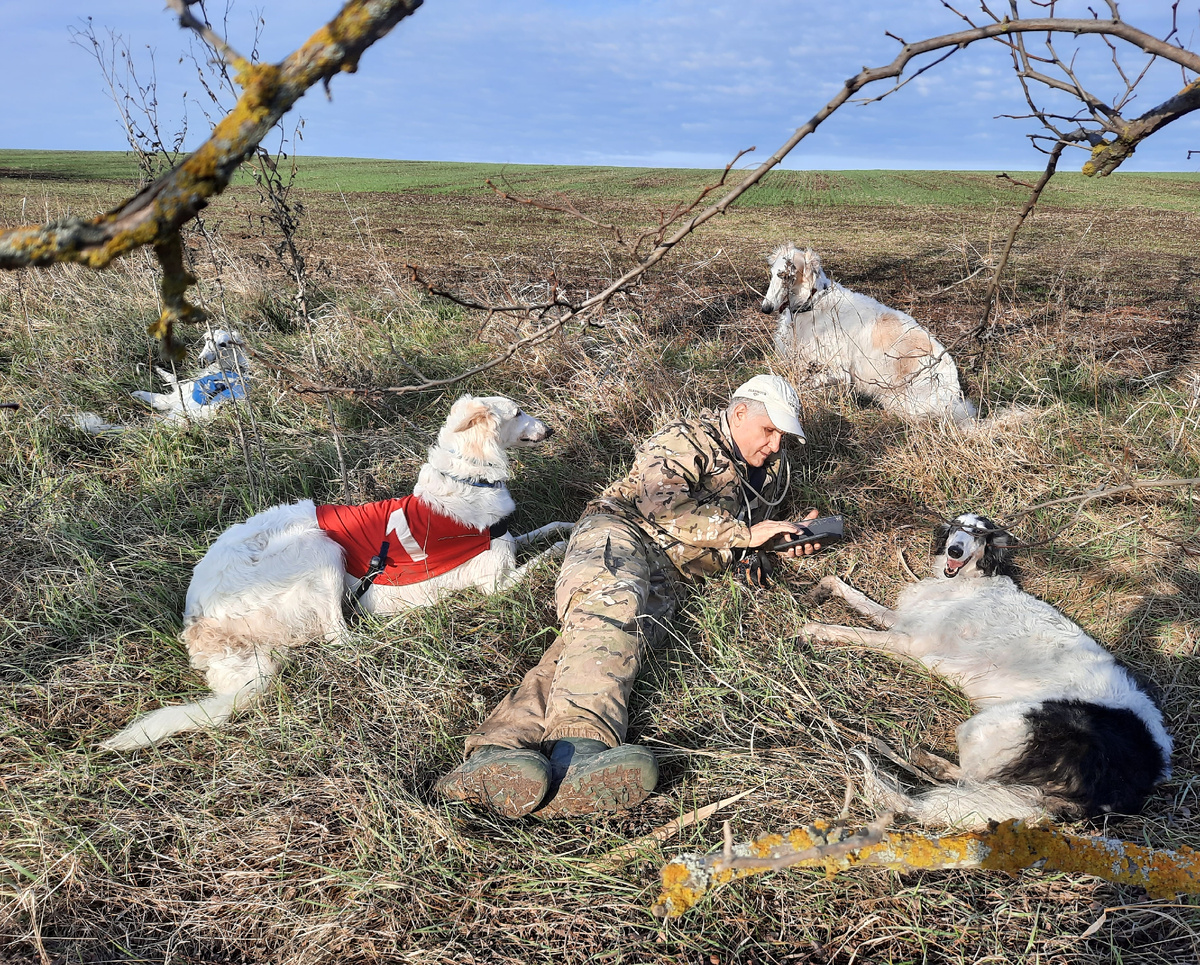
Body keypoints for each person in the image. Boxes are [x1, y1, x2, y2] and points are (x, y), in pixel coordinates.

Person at [436, 374, 823, 819]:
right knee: (608, 618)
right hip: (622, 534)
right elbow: (661, 505)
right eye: (769, 431)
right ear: (739, 414)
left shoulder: (771, 475)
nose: (775, 446)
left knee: (599, 647)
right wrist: (747, 532)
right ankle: (577, 753)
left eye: (784, 437)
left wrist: (777, 542)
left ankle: (497, 751)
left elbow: (738, 543)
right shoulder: (687, 440)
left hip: (672, 577)